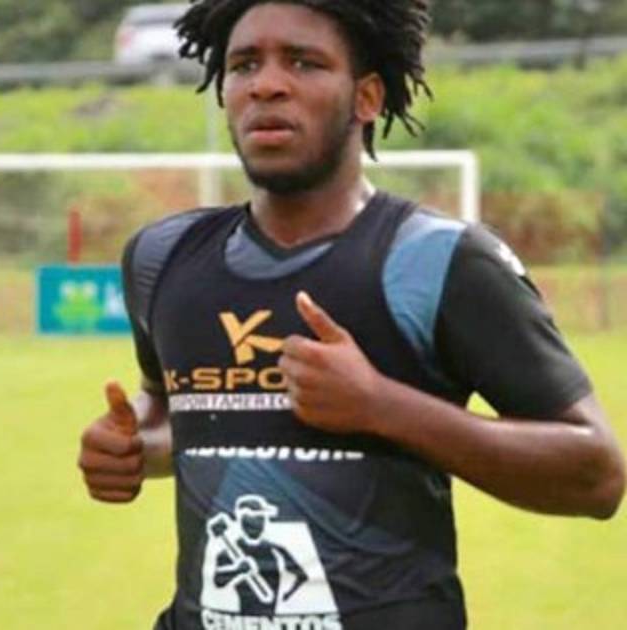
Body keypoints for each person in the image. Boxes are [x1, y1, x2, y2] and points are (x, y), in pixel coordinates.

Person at [77, 1, 626, 628]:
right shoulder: (162, 258)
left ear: (366, 98)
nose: (266, 84)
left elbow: (596, 475)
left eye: (303, 63)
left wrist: (380, 405)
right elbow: (169, 408)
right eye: (244, 64)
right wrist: (134, 447)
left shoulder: (440, 261)